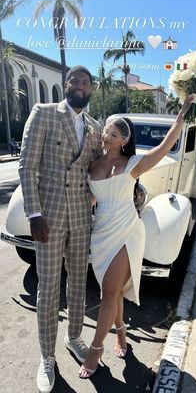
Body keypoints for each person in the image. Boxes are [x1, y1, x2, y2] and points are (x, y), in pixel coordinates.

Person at [78, 95, 194, 378]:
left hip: (128, 231)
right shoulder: (93, 164)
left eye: (113, 134)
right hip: (101, 233)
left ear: (123, 140)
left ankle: (95, 352)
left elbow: (165, 145)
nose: (106, 136)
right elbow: (92, 199)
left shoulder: (134, 164)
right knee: (113, 290)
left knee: (108, 293)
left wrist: (182, 115)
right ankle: (121, 331)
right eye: (106, 131)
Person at [19, 65, 102, 393]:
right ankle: (47, 357)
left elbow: (99, 168)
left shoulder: (94, 126)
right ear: (66, 84)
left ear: (91, 89)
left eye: (86, 83)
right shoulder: (44, 113)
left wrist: (129, 183)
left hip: (82, 216)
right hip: (49, 218)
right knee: (49, 288)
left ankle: (73, 337)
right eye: (76, 81)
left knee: (79, 284)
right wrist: (34, 214)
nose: (81, 86)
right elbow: (27, 165)